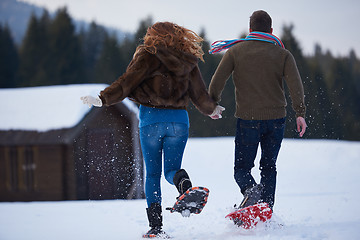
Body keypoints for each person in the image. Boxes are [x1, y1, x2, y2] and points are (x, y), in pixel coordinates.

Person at [81, 21, 224, 238]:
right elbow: (200, 94)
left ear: (155, 36)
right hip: (179, 121)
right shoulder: (187, 60)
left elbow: (126, 82)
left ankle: (156, 229)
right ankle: (184, 185)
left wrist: (103, 98)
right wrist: (212, 109)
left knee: (153, 175)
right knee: (171, 170)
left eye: (149, 33)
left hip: (151, 120)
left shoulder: (148, 55)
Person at [208, 10, 307, 211]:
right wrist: (300, 113)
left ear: (250, 29)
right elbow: (296, 86)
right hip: (277, 119)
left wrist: (212, 105)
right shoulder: (283, 54)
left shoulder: (236, 51)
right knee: (269, 168)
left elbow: (218, 81)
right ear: (271, 30)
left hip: (247, 120)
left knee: (242, 169)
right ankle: (265, 209)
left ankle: (251, 193)